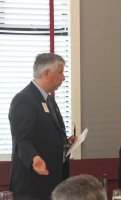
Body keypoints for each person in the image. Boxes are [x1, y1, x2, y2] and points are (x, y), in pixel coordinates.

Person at [8, 53, 76, 200]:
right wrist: (34, 158)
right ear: (46, 73)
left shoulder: (48, 100)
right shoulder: (24, 100)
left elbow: (47, 135)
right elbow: (22, 139)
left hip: (52, 182)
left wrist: (66, 143)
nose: (63, 77)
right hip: (32, 187)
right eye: (60, 72)